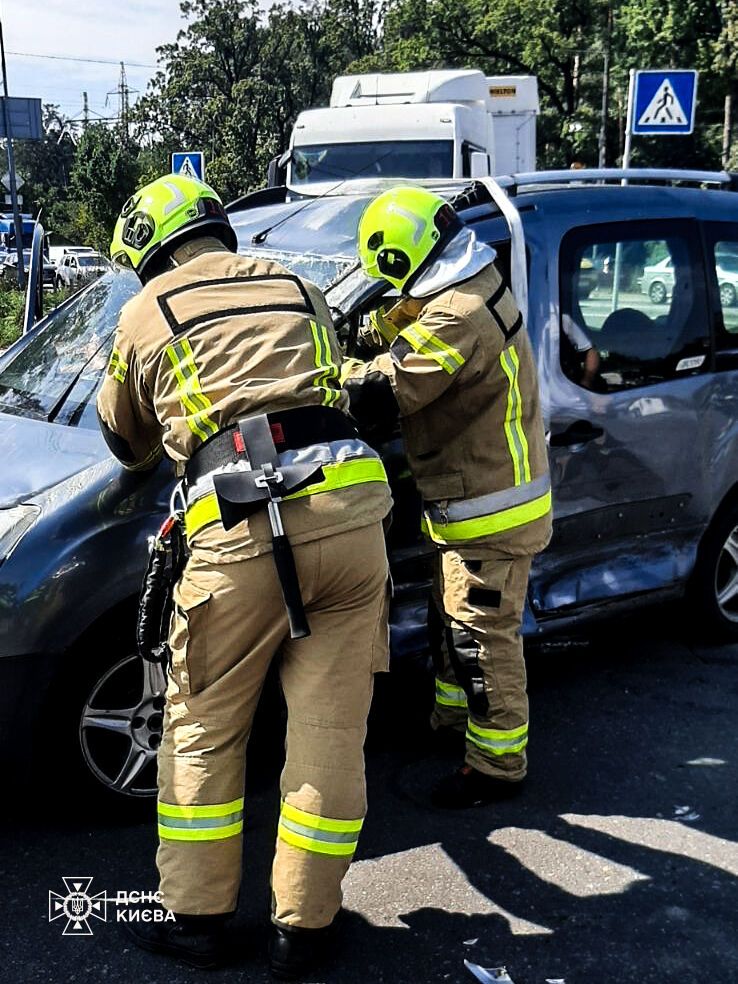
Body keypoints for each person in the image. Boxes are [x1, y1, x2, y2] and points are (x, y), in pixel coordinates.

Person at [97, 173, 393, 976]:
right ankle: (306, 930)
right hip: (353, 512)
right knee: (331, 735)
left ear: (148, 252)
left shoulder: (146, 311)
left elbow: (126, 442)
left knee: (203, 729)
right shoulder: (302, 283)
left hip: (239, 525)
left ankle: (197, 921)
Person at [343, 186, 552, 809]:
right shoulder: (475, 279)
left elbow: (383, 393)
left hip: (490, 507)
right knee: (451, 620)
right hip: (475, 500)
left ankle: (496, 763)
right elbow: (409, 318)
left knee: (480, 637)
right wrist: (365, 319)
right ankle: (452, 722)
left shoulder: (458, 312)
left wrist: (337, 369)